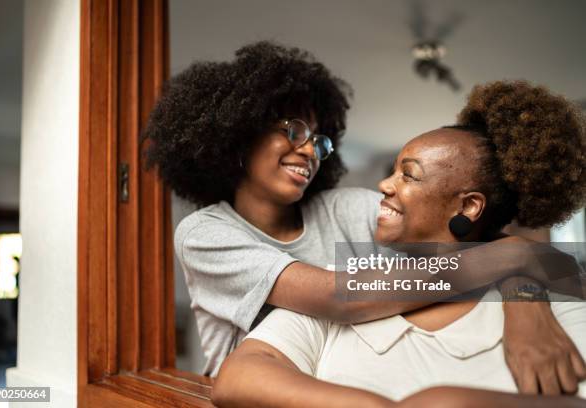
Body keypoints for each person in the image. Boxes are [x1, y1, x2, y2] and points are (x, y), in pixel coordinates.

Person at [143, 41, 583, 391]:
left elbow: (476, 240)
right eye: (294, 130)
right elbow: (339, 295)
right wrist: (516, 259)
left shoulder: (345, 209)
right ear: (237, 130)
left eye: (320, 141)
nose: (308, 151)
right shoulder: (205, 233)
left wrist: (527, 305)